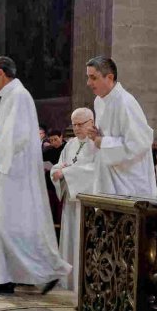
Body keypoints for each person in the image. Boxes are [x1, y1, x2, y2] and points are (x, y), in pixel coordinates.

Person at [0, 56, 70, 294]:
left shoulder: (17, 96)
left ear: (0, 73)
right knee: (3, 222)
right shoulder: (13, 96)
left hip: (14, 173)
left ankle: (46, 270)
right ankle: (0, 277)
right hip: (9, 169)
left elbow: (14, 136)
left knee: (11, 223)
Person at [78, 55, 155, 197]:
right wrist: (95, 135)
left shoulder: (126, 103)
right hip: (108, 175)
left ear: (110, 78)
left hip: (129, 182)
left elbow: (140, 143)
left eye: (93, 77)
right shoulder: (99, 101)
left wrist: (102, 141)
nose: (88, 83)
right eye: (88, 77)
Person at [51, 108, 99, 292]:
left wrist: (66, 172)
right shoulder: (70, 144)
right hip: (70, 201)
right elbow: (60, 164)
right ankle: (68, 280)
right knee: (69, 238)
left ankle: (82, 282)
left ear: (91, 122)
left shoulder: (97, 143)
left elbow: (94, 170)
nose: (77, 128)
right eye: (74, 125)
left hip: (84, 203)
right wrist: (58, 171)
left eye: (81, 124)